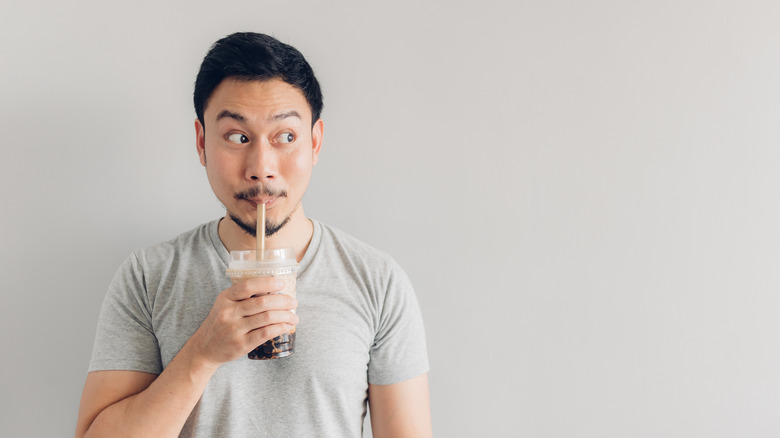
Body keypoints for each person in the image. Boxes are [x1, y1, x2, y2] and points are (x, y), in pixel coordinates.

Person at [75, 32, 431, 438]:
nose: (261, 167)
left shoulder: (377, 281)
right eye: (238, 137)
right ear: (202, 142)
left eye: (286, 137)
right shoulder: (148, 276)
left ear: (314, 143)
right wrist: (203, 353)